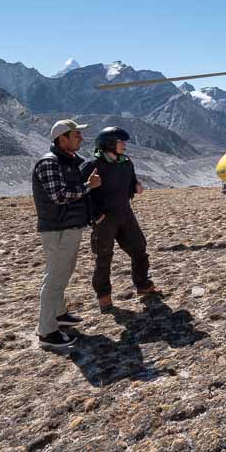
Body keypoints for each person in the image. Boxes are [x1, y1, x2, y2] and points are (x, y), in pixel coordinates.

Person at [32, 119, 101, 349]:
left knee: (64, 273)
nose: (80, 138)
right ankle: (47, 331)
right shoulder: (49, 163)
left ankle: (59, 314)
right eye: (76, 135)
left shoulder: (68, 161)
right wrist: (88, 186)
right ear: (62, 139)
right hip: (57, 229)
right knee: (54, 279)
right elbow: (59, 196)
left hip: (68, 227)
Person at [81, 127, 160, 313]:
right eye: (120, 141)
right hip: (104, 219)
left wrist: (136, 187)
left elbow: (131, 183)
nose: (124, 145)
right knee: (104, 257)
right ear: (108, 143)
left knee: (139, 248)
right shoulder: (92, 165)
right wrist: (96, 216)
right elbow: (83, 194)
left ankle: (143, 285)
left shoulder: (126, 163)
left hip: (125, 214)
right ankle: (104, 297)